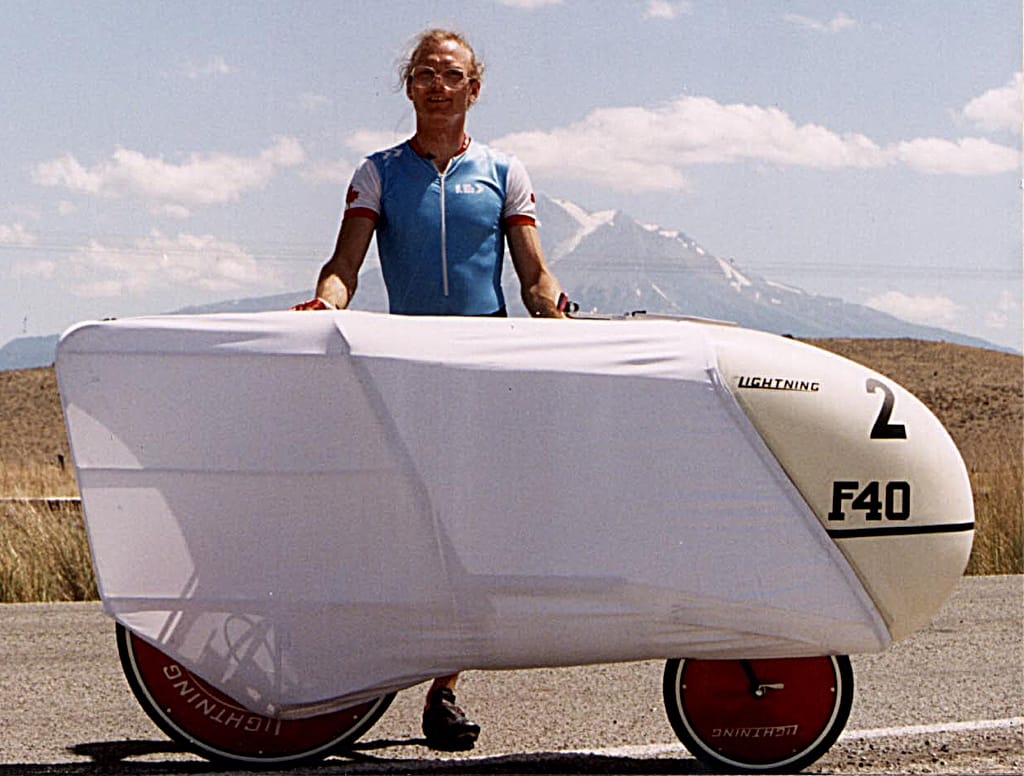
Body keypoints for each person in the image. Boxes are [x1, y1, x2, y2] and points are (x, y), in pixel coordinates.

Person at [296, 28, 565, 751]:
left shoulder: (504, 171)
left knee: (465, 530)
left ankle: (442, 689)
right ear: (408, 86)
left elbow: (534, 276)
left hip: (482, 366)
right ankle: (367, 664)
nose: (437, 86)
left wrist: (556, 311)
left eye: (451, 75)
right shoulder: (378, 172)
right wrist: (324, 305)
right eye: (424, 74)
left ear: (474, 88)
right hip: (406, 364)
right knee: (402, 524)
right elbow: (344, 266)